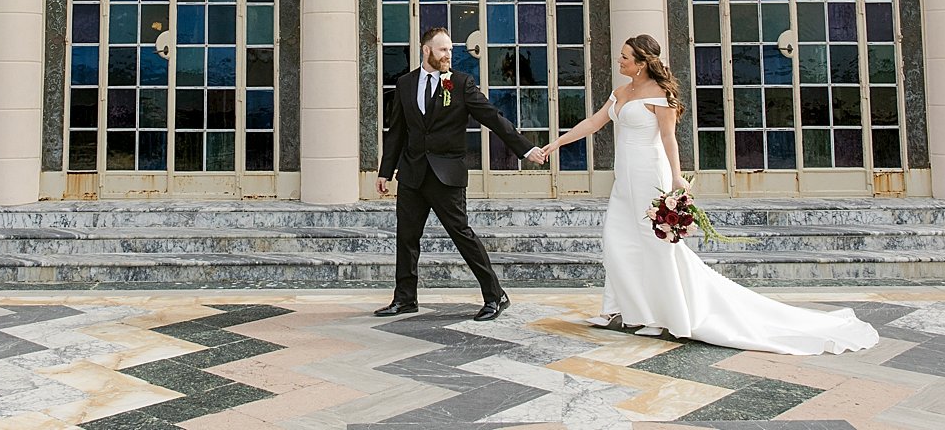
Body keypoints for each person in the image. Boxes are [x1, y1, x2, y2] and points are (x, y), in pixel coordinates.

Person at [539, 34, 879, 355]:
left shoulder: (660, 95)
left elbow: (669, 139)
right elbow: (594, 123)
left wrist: (675, 178)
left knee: (657, 248)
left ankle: (665, 318)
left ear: (641, 62)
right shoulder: (620, 92)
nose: (620, 61)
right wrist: (555, 144)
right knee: (617, 242)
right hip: (622, 181)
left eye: (625, 57)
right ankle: (621, 310)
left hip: (648, 176)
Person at [374, 27, 548, 321]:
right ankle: (405, 299)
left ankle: (496, 295)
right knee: (406, 238)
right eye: (442, 50)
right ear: (426, 50)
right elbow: (397, 132)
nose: (448, 55)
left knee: (462, 236)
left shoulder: (461, 83)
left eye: (450, 50)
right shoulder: (405, 83)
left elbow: (493, 118)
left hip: (447, 176)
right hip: (413, 174)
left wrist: (525, 149)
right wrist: (385, 171)